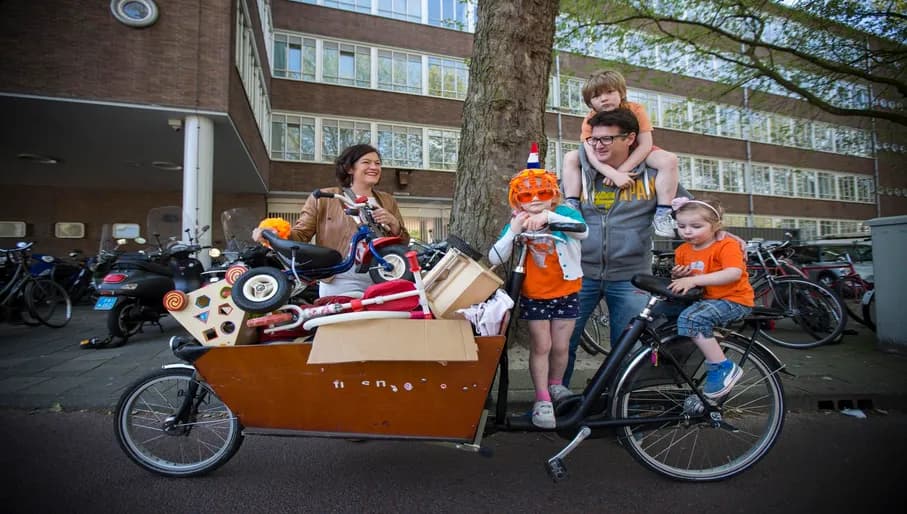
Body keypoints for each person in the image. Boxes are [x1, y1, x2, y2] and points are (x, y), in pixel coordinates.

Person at [561, 108, 690, 388]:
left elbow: (691, 214)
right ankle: (553, 402)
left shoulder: (654, 174)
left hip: (630, 279)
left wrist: (720, 238)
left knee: (627, 349)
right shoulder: (579, 173)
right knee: (562, 343)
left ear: (630, 138)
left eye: (607, 139)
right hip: (579, 275)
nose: (598, 145)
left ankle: (616, 402)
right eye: (594, 140)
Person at [489, 166, 588, 429]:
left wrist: (549, 216)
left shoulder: (565, 213)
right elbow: (495, 257)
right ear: (517, 199)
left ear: (553, 194)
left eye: (542, 192)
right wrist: (514, 230)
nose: (534, 198)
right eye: (526, 195)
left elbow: (582, 231)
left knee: (561, 346)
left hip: (567, 291)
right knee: (541, 346)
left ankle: (556, 385)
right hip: (535, 295)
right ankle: (542, 397)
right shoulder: (518, 219)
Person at [252, 144, 409, 297]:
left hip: (385, 276)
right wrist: (276, 233)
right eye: (366, 162)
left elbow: (403, 243)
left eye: (378, 163)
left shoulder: (387, 200)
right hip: (340, 279)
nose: (374, 167)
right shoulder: (324, 198)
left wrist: (394, 223)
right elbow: (301, 235)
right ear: (349, 168)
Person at [561, 70, 680, 237]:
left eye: (610, 92)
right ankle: (572, 204)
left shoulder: (636, 110)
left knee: (669, 160)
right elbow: (590, 153)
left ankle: (663, 212)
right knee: (571, 157)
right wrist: (612, 174)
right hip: (603, 156)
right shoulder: (589, 120)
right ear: (590, 103)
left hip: (638, 150)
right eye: (596, 96)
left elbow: (645, 144)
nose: (604, 98)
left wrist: (622, 170)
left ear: (622, 93)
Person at [668, 197, 754, 398]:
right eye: (681, 226)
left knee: (692, 318)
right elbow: (690, 281)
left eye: (696, 226)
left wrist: (693, 280)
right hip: (706, 301)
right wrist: (679, 277)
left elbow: (733, 273)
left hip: (734, 300)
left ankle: (722, 366)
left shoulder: (726, 245)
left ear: (715, 226)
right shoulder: (682, 250)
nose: (687, 231)